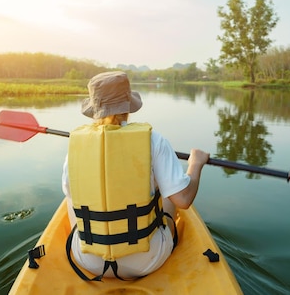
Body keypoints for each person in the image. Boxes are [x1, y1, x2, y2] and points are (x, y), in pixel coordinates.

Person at [61, 71, 209, 280]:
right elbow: (183, 200)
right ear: (127, 107)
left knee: (69, 195)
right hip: (145, 261)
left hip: (87, 260)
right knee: (168, 190)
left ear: (94, 108)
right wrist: (196, 164)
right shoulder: (154, 140)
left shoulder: (75, 147)